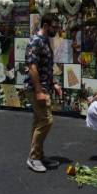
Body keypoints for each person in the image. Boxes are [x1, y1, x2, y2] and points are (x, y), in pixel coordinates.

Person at [24, 14, 63, 173]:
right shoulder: (36, 41)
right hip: (36, 89)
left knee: (38, 121)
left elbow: (45, 66)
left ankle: (38, 155)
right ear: (46, 25)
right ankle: (33, 158)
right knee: (46, 120)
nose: (57, 29)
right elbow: (32, 67)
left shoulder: (46, 41)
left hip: (43, 87)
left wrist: (53, 83)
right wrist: (39, 90)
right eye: (54, 26)